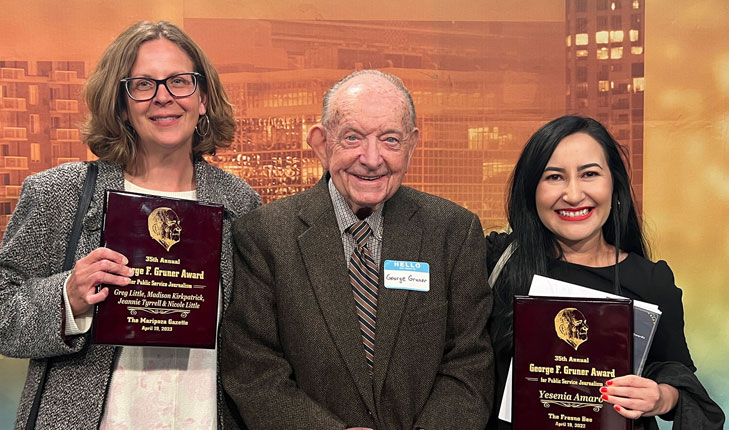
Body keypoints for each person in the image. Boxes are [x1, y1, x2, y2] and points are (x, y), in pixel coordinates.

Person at [0, 21, 260, 429]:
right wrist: (67, 298)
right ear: (121, 103)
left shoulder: (240, 204)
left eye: (179, 81)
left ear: (204, 98)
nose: (164, 98)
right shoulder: (58, 193)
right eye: (143, 84)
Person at [220, 69, 494, 429]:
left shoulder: (454, 231)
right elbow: (254, 369)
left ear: (412, 144)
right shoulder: (264, 234)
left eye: (390, 140)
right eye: (352, 137)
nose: (372, 158)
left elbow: (469, 363)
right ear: (321, 143)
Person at [486, 115, 725, 430]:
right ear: (532, 190)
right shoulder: (496, 261)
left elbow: (681, 382)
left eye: (589, 174)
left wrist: (660, 397)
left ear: (614, 183)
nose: (573, 195)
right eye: (554, 177)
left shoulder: (651, 281)